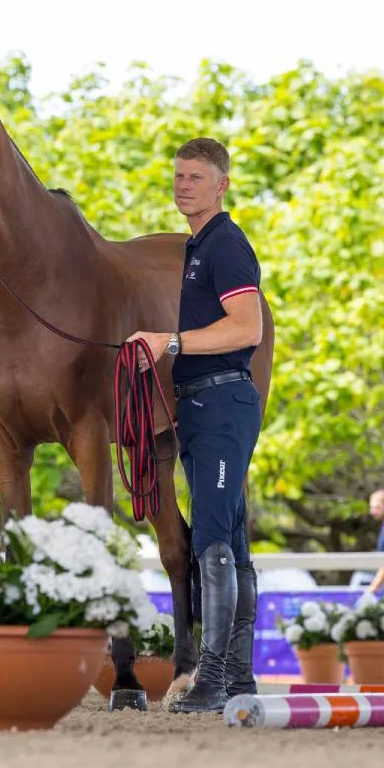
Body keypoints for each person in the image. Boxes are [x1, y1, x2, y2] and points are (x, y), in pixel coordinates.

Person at [126, 137, 264, 713]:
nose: (184, 185)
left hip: (224, 403)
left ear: (222, 184)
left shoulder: (226, 244)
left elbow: (248, 327)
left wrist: (171, 342)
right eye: (179, 175)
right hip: (202, 406)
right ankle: (237, 677)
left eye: (196, 177)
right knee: (229, 538)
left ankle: (210, 677)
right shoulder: (198, 247)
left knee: (211, 541)